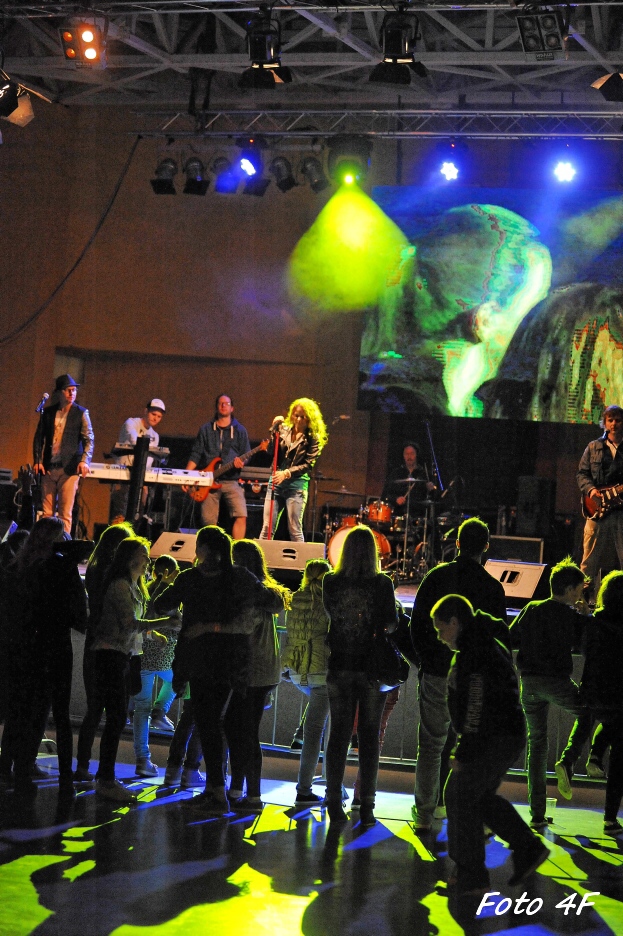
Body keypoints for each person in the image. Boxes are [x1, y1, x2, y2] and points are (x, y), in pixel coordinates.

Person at [153, 525, 276, 816]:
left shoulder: (190, 579)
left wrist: (187, 617)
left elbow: (160, 605)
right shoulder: (239, 577)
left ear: (204, 549)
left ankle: (216, 791)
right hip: (233, 663)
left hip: (199, 660)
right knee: (223, 727)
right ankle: (222, 790)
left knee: (207, 724)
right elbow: (271, 601)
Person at [433, 594, 549, 896]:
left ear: (455, 622)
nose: (440, 637)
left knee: (459, 794)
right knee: (477, 796)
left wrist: (464, 749)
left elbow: (475, 706)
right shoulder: (484, 643)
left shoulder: (474, 652)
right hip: (504, 735)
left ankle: (472, 874)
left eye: (441, 629)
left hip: (493, 738)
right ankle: (525, 848)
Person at [409, 516, 508, 831]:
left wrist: (426, 661)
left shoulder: (436, 577)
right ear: (486, 547)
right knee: (473, 746)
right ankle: (469, 813)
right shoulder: (492, 587)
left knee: (431, 744)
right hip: (475, 677)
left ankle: (424, 814)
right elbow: (498, 637)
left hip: (437, 671)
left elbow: (416, 625)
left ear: (457, 544)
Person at [4, 518, 88, 798]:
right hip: (56, 645)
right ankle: (64, 779)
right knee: (58, 714)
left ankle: (14, 768)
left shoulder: (20, 566)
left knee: (22, 708)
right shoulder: (63, 567)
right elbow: (79, 615)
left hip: (26, 645)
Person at [322, 525, 397, 827]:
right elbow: (391, 622)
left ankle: (332, 799)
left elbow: (331, 615)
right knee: (369, 738)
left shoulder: (330, 581)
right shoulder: (382, 584)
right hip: (371, 668)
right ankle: (367, 804)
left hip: (339, 664)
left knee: (338, 736)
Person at [85, 537, 169, 802]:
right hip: (110, 655)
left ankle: (106, 777)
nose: (147, 560)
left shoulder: (134, 586)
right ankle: (106, 779)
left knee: (118, 718)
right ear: (130, 557)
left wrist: (153, 634)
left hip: (124, 655)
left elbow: (134, 625)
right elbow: (129, 623)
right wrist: (164, 623)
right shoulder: (120, 585)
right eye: (143, 554)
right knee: (116, 717)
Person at [510, 558, 591, 828]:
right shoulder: (570, 616)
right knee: (587, 711)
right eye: (579, 590)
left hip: (529, 684)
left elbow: (511, 637)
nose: (580, 595)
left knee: (537, 745)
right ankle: (567, 761)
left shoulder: (532, 608)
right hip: (556, 682)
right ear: (568, 590)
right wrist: (586, 616)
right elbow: (587, 643)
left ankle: (537, 815)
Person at [225, 539, 289, 811]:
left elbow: (242, 627)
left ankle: (251, 795)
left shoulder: (251, 592)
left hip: (251, 671)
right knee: (243, 731)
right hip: (262, 671)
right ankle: (240, 790)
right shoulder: (266, 591)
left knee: (242, 732)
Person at [74, 522, 134, 783]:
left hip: (94, 640)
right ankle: (102, 771)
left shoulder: (95, 569)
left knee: (94, 709)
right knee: (112, 713)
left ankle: (82, 765)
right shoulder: (115, 577)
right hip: (110, 643)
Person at [283, 558, 332, 807]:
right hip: (321, 672)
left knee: (317, 716)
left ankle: (300, 735)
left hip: (297, 670)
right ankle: (304, 790)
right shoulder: (328, 602)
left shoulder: (295, 599)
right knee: (318, 733)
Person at [580, 570, 623, 834]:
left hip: (595, 694)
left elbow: (585, 651)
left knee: (610, 723)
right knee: (619, 760)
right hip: (620, 697)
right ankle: (609, 818)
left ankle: (595, 753)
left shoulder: (595, 621)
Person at [132, 555, 181, 778]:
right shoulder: (172, 595)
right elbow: (179, 623)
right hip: (165, 656)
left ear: (154, 571)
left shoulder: (145, 590)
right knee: (177, 681)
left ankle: (142, 759)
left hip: (142, 656)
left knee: (141, 709)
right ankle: (160, 710)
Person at [33, 374, 94, 536]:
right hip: (49, 467)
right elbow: (39, 438)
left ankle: (63, 545)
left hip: (69, 469)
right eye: (68, 390)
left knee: (65, 514)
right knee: (46, 513)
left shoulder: (81, 413)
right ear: (59, 393)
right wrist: (38, 460)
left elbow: (89, 439)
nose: (72, 393)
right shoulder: (48, 413)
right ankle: (45, 544)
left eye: (74, 390)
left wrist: (84, 461)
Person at [260, 398, 327, 542]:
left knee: (295, 529)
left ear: (310, 418)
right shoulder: (284, 430)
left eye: (303, 417)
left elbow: (308, 464)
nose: (298, 420)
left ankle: (301, 558)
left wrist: (287, 473)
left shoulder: (313, 438)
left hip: (296, 487)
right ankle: (260, 556)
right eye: (296, 415)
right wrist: (274, 431)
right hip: (276, 484)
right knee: (267, 528)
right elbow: (271, 451)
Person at [185, 394, 249, 540]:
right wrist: (186, 476)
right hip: (208, 480)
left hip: (231, 480)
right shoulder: (206, 429)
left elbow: (246, 454)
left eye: (227, 403)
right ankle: (210, 549)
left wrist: (242, 462)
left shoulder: (240, 430)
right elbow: (196, 454)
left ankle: (237, 548)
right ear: (216, 407)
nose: (223, 405)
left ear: (232, 408)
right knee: (208, 521)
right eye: (220, 403)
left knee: (241, 514)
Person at [577, 403, 623, 592]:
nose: (614, 424)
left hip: (621, 511)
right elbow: (582, 474)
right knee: (589, 560)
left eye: (618, 420)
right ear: (604, 422)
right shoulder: (593, 446)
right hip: (596, 509)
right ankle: (582, 599)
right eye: (610, 420)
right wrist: (591, 491)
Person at [110, 399, 166, 523]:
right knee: (120, 515)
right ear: (146, 411)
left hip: (140, 477)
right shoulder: (131, 423)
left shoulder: (155, 436)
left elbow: (149, 459)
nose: (155, 418)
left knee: (137, 515)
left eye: (159, 416)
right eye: (153, 414)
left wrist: (145, 479)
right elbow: (135, 441)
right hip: (123, 474)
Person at [382, 442, 435, 516]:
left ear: (417, 455)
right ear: (403, 456)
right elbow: (386, 495)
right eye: (406, 454)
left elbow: (433, 498)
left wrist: (431, 490)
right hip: (399, 514)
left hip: (419, 515)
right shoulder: (396, 473)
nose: (409, 456)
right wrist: (396, 499)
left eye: (412, 453)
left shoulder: (425, 474)